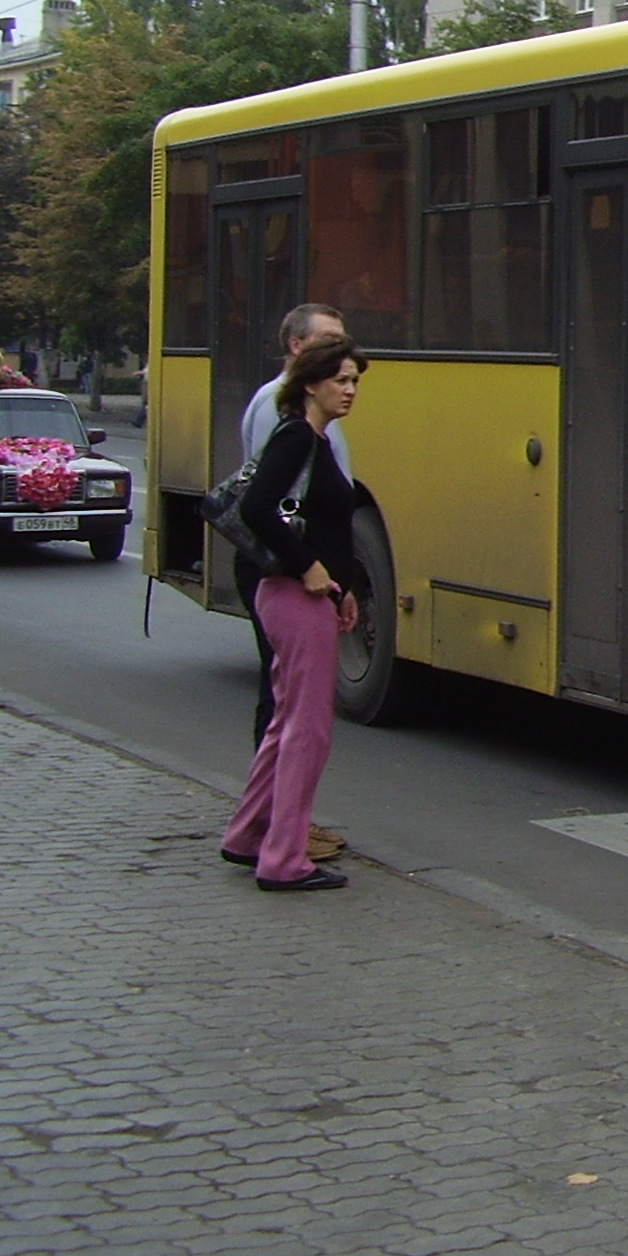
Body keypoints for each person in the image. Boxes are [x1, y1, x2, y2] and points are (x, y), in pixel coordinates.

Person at [220, 335, 368, 892]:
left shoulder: (315, 439)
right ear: (310, 383)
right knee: (309, 731)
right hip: (294, 597)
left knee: (286, 723)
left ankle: (247, 835)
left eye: (355, 381)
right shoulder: (296, 439)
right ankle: (284, 859)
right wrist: (308, 568)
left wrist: (342, 587)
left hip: (308, 596)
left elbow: (326, 523)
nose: (350, 391)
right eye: (340, 380)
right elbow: (258, 507)